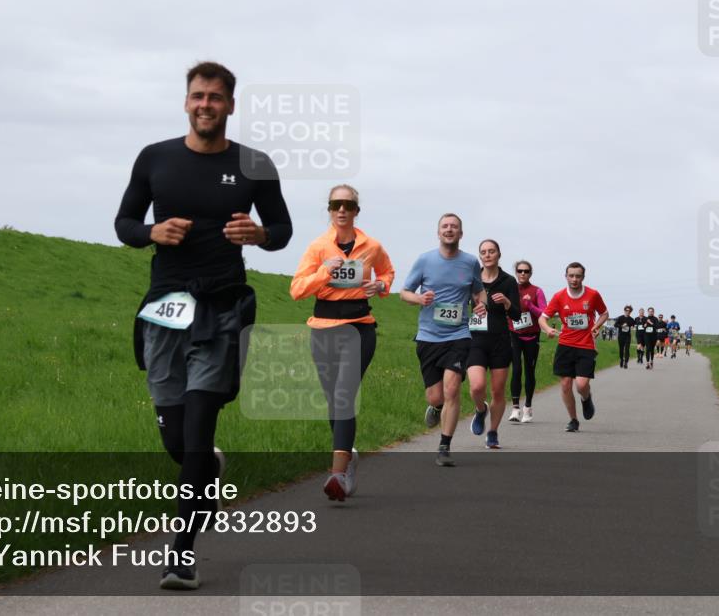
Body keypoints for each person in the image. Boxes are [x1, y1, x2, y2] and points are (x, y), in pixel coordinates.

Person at [114, 62, 293, 590]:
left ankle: (180, 554)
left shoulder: (253, 164)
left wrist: (258, 234)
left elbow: (281, 229)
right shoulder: (155, 158)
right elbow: (124, 223)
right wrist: (152, 232)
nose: (205, 105)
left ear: (230, 106)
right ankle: (208, 473)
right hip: (165, 310)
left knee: (196, 434)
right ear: (186, 101)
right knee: (176, 439)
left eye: (216, 97)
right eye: (197, 96)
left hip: (221, 311)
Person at [290, 185, 394, 501]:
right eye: (336, 204)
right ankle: (348, 456)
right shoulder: (318, 247)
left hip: (359, 327)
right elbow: (297, 289)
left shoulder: (371, 246)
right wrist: (323, 273)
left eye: (348, 204)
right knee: (334, 401)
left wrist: (381, 284)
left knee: (344, 395)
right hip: (323, 329)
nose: (342, 209)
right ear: (330, 209)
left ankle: (337, 475)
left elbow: (387, 272)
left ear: (356, 210)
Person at [401, 213, 487, 467]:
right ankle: (436, 408)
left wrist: (480, 304)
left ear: (461, 234)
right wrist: (419, 299)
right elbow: (404, 293)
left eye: (454, 227)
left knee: (452, 389)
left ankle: (444, 446)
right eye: (445, 226)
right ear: (438, 232)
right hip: (428, 337)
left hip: (458, 335)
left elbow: (478, 290)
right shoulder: (425, 260)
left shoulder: (470, 262)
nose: (449, 230)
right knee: (435, 396)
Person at [538, 262, 609, 432]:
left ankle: (586, 398)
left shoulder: (592, 295)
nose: (574, 279)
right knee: (565, 384)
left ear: (583, 277)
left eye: (578, 276)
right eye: (571, 275)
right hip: (565, 344)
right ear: (566, 276)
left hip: (586, 345)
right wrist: (547, 329)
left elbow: (605, 313)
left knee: (582, 385)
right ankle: (573, 420)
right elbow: (542, 318)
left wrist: (596, 326)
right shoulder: (559, 296)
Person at [466, 240, 521, 448]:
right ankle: (481, 409)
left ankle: (493, 432)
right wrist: (474, 309)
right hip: (476, 340)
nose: (487, 255)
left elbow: (517, 315)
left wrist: (507, 302)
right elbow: (461, 305)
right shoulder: (472, 279)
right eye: (483, 252)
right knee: (477, 386)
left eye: (491, 251)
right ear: (480, 256)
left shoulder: (508, 281)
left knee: (498, 391)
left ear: (499, 254)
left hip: (500, 341)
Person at [509, 260, 546, 423]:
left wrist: (530, 305)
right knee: (516, 369)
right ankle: (515, 408)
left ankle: (528, 407)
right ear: (516, 272)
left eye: (526, 271)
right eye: (519, 270)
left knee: (529, 371)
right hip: (514, 334)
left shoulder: (537, 291)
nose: (522, 273)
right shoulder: (510, 289)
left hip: (532, 336)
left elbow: (544, 314)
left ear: (530, 273)